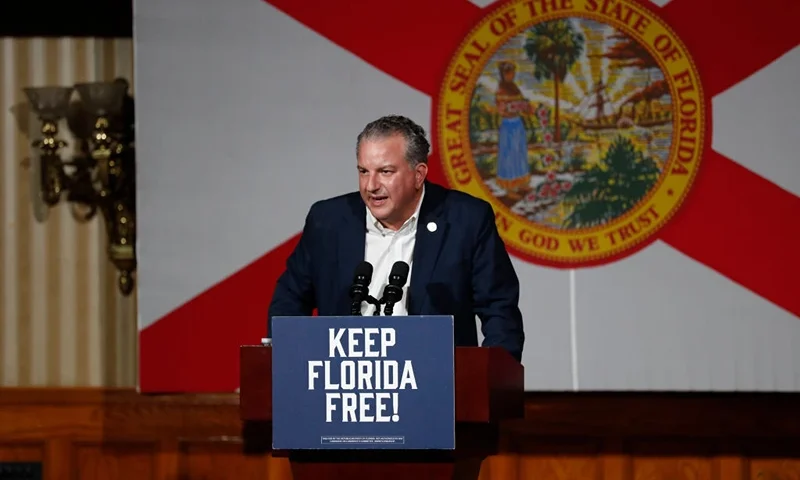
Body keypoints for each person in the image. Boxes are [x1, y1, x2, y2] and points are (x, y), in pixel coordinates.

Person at [267, 115, 525, 362]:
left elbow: (499, 310)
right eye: (364, 171)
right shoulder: (328, 221)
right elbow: (289, 301)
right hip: (346, 384)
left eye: (385, 172)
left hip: (435, 384)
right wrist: (291, 364)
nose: (371, 185)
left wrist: (488, 383)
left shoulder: (465, 220)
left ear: (418, 174)